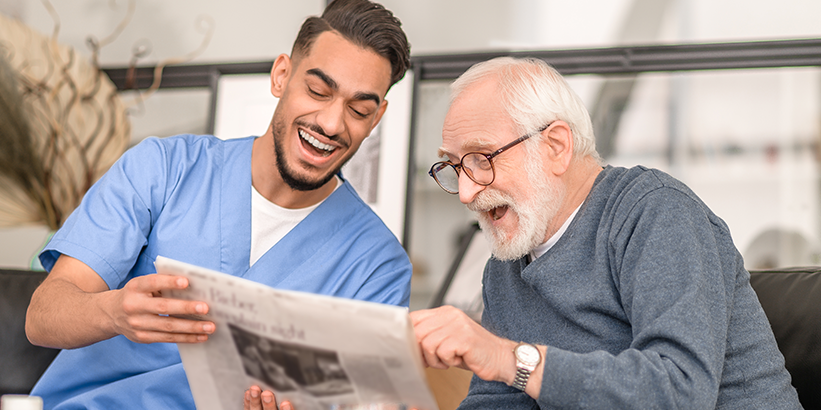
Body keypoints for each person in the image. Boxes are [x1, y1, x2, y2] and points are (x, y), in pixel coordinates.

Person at [24, 0, 412, 408]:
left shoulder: (377, 266)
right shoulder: (164, 169)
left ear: (377, 117)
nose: (332, 124)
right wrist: (113, 312)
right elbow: (43, 316)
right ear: (282, 75)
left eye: (359, 109)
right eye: (318, 91)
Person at [409, 56, 803, 409]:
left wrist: (506, 358)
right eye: (455, 166)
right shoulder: (507, 261)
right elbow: (497, 402)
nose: (465, 192)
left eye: (481, 159)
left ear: (556, 146)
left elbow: (680, 390)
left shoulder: (655, 212)